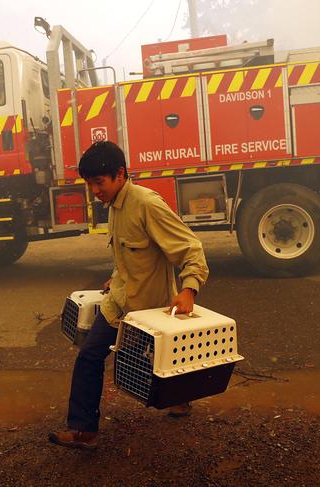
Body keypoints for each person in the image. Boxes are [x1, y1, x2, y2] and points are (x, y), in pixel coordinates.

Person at [49, 141, 209, 450]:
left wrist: (189, 289)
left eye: (99, 182)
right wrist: (117, 275)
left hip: (149, 308)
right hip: (119, 303)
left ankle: (180, 400)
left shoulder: (146, 204)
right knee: (90, 356)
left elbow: (191, 249)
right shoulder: (113, 205)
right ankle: (84, 430)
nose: (95, 190)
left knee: (152, 362)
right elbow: (128, 252)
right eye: (90, 183)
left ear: (120, 174)